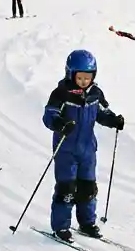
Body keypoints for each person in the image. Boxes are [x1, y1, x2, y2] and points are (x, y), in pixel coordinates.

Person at [42, 49, 125, 241]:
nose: (83, 82)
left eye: (87, 78)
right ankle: (61, 226)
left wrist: (114, 120)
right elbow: (49, 114)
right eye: (80, 78)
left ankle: (87, 223)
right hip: (66, 149)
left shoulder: (95, 93)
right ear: (70, 74)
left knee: (88, 188)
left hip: (88, 149)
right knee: (67, 189)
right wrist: (60, 124)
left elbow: (103, 112)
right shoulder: (61, 93)